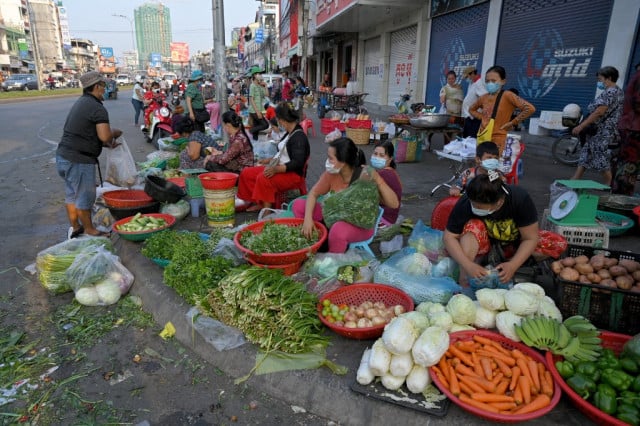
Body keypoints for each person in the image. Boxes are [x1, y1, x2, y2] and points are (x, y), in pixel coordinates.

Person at [291, 137, 400, 253]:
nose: (327, 161)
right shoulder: (331, 174)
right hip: (334, 215)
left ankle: (331, 262)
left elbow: (393, 204)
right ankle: (312, 237)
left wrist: (378, 179)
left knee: (338, 230)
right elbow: (313, 193)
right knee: (298, 205)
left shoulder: (365, 177)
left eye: (330, 158)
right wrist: (308, 220)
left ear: (342, 162)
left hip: (359, 226)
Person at [56, 71, 123, 238]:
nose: (106, 89)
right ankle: (90, 229)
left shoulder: (82, 102)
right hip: (79, 160)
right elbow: (105, 136)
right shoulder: (97, 108)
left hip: (63, 156)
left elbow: (88, 133)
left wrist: (104, 142)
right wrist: (114, 133)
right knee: (85, 196)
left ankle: (76, 226)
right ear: (96, 87)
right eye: (104, 86)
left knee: (72, 194)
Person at [443, 173, 539, 286]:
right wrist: (468, 265)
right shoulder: (467, 202)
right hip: (486, 247)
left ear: (500, 202)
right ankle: (464, 280)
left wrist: (513, 265)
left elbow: (530, 238)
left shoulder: (519, 199)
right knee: (473, 226)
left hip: (514, 245)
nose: (475, 208)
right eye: (473, 204)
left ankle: (511, 266)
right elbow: (449, 237)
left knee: (554, 243)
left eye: (479, 207)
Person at [236, 102, 310, 211]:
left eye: (278, 119)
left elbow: (297, 163)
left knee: (264, 178)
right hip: (280, 167)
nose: (278, 122)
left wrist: (276, 169)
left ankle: (267, 210)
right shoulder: (289, 133)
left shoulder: (299, 137)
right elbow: (282, 153)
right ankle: (256, 201)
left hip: (292, 174)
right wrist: (268, 160)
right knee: (247, 173)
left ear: (283, 120)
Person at [571, 66, 624, 186]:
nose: (599, 82)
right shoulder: (618, 91)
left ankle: (608, 186)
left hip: (603, 132)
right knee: (586, 154)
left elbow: (599, 112)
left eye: (600, 79)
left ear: (608, 78)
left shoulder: (610, 92)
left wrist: (581, 126)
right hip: (598, 132)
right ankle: (574, 179)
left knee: (601, 159)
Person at [469, 65, 535, 154]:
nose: (490, 84)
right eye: (487, 81)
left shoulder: (508, 95)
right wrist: (483, 117)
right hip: (482, 136)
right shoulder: (483, 97)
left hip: (498, 138)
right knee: (480, 162)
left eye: (493, 81)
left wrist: (513, 122)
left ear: (503, 81)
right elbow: (471, 109)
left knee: (492, 164)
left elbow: (530, 108)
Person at [612, 66, 640, 195]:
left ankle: (618, 199)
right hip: (634, 129)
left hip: (630, 127)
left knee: (625, 167)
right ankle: (620, 202)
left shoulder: (636, 77)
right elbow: (638, 103)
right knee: (629, 168)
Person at [371, 141, 402, 226]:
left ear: (390, 159)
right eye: (375, 154)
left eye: (381, 155)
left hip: (384, 219)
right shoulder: (391, 171)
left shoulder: (384, 174)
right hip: (390, 217)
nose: (377, 157)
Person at [461, 66, 487, 138]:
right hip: (469, 116)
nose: (467, 79)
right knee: (466, 138)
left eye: (467, 77)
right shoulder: (472, 83)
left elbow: (484, 100)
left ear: (472, 74)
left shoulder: (479, 84)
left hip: (474, 118)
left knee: (471, 140)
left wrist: (476, 112)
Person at [248, 71, 270, 141]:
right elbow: (251, 99)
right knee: (265, 124)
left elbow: (267, 94)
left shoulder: (259, 86)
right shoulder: (252, 86)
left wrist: (265, 86)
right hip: (254, 110)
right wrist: (257, 112)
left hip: (259, 109)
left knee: (256, 127)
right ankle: (250, 131)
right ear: (255, 77)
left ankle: (254, 143)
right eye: (258, 74)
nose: (260, 76)